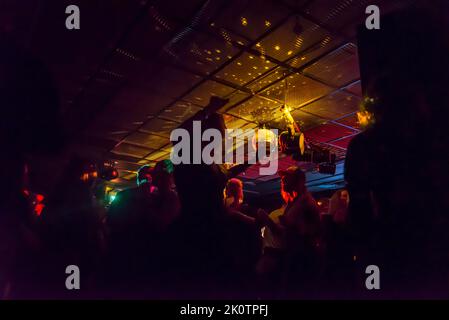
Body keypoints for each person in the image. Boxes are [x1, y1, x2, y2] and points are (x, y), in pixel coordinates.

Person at [345, 2, 449, 298]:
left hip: (390, 252)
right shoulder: (433, 141)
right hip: (429, 250)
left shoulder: (363, 147)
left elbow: (360, 215)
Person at [257, 166, 322, 297]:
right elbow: (287, 231)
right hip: (295, 258)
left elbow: (303, 233)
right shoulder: (295, 202)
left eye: (288, 177)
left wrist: (268, 220)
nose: (283, 180)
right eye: (283, 178)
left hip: (302, 260)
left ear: (299, 181)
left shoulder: (305, 202)